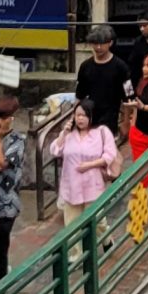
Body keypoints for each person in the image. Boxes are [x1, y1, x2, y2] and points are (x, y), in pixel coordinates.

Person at [56, 98, 120, 229]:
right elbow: (56, 150)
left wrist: (89, 165)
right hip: (71, 188)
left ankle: (107, 242)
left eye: (84, 115)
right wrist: (64, 133)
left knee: (98, 224)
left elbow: (109, 155)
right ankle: (76, 250)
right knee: (71, 228)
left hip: (92, 186)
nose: (80, 119)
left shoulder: (101, 132)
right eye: (78, 115)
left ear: (92, 116)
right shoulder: (69, 134)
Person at [0, 95, 25, 283]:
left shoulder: (18, 141)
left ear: (11, 119)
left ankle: (0, 290)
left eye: (2, 118)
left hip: (5, 206)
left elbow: (0, 165)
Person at [76, 24, 133, 139]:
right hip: (89, 119)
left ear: (110, 43)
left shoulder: (121, 67)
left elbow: (129, 97)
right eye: (95, 44)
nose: (98, 47)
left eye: (102, 43)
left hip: (110, 121)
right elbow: (79, 96)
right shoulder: (85, 66)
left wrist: (126, 122)